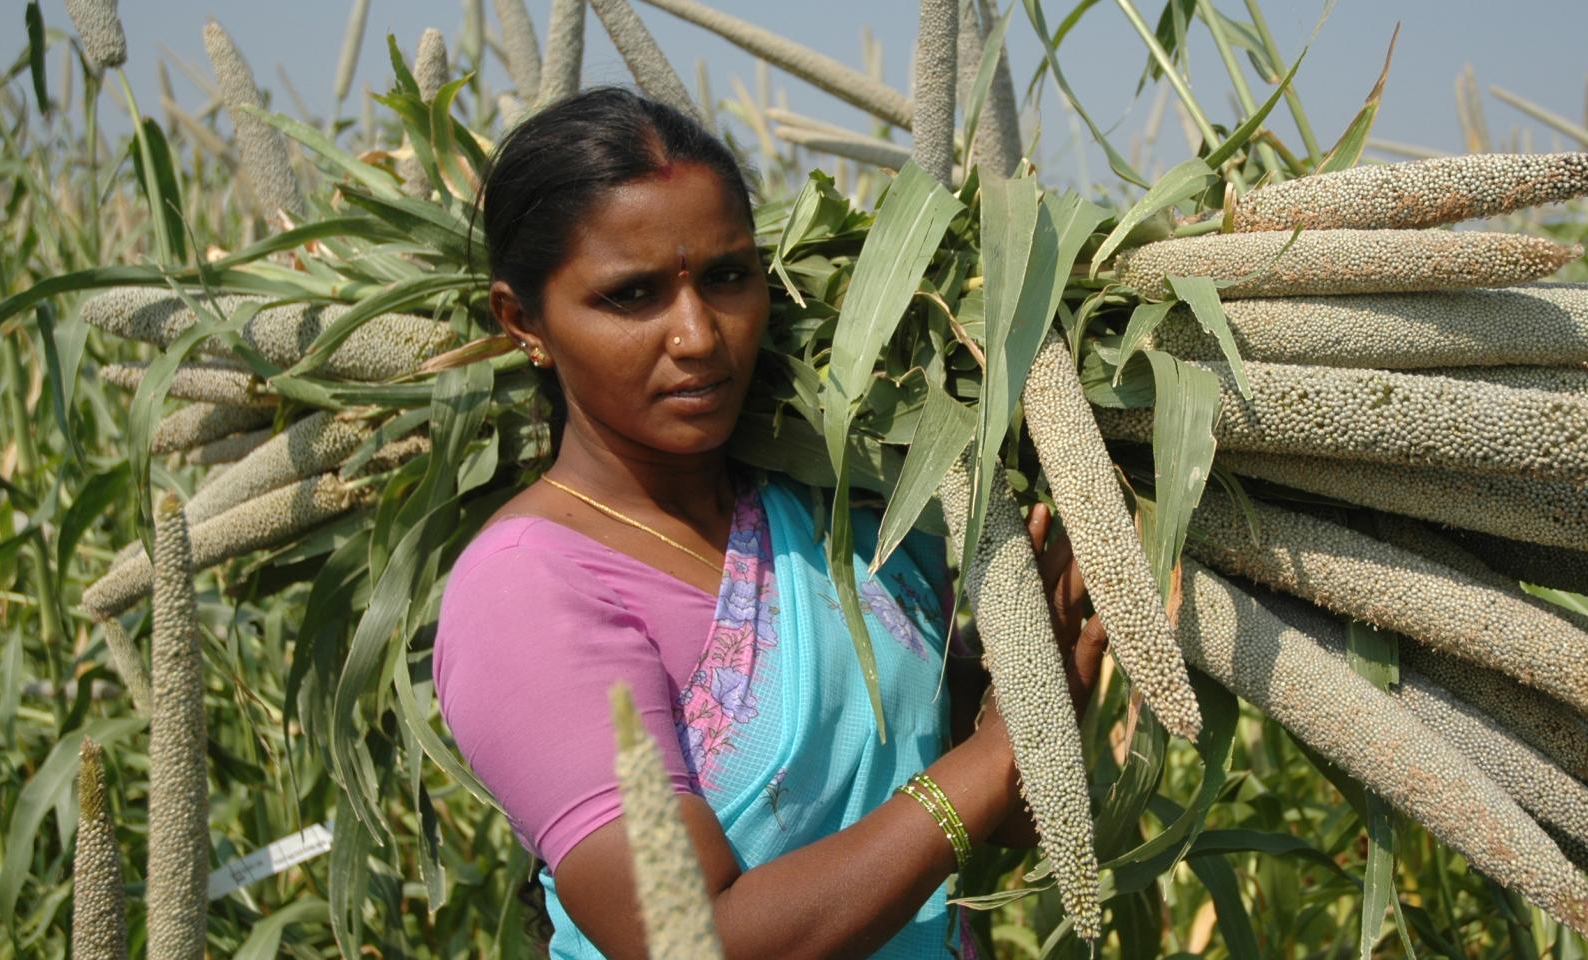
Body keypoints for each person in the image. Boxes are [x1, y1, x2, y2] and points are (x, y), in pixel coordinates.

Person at [433, 87, 1106, 959]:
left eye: (725, 277)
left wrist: (1035, 694)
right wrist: (1001, 756)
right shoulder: (528, 591)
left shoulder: (844, 510)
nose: (699, 336)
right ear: (523, 322)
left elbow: (983, 811)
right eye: (633, 295)